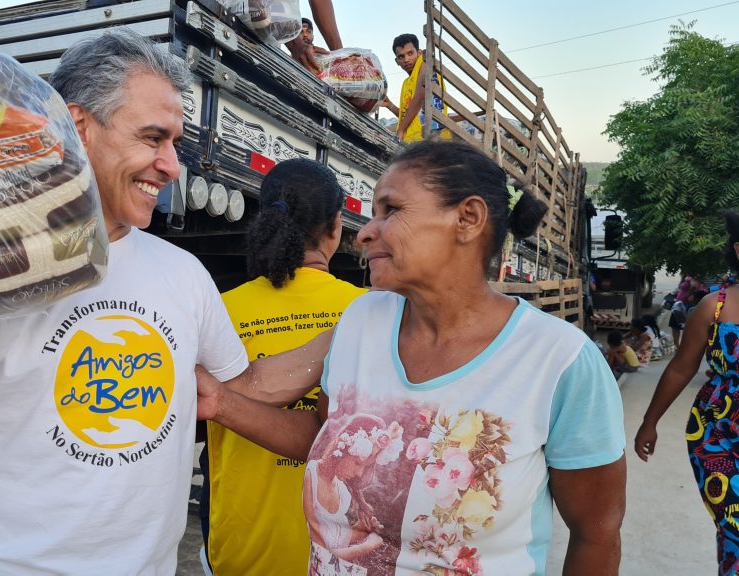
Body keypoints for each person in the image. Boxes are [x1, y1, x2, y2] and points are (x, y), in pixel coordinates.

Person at [0, 29, 327, 574]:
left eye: (175, 144)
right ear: (78, 128)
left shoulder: (183, 273)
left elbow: (236, 390)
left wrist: (355, 331)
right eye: (152, 138)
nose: (172, 166)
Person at [198, 140, 626, 574]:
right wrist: (220, 403)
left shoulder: (559, 361)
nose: (365, 231)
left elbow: (596, 533)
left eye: (392, 210)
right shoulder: (361, 320)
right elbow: (324, 436)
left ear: (468, 219)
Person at [202, 158, 366, 575]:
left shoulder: (220, 309)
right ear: (336, 227)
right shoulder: (367, 315)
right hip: (339, 555)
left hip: (241, 547)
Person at [635, 212, 739, 575]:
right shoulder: (715, 307)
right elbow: (681, 367)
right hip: (718, 437)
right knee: (735, 532)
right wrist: (650, 422)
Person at [391, 34, 448, 143]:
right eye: (401, 57)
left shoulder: (424, 64)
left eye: (410, 53)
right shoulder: (406, 83)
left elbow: (420, 96)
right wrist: (390, 105)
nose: (406, 59)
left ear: (419, 53)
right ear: (397, 61)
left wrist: (400, 130)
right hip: (411, 141)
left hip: (428, 139)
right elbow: (408, 114)